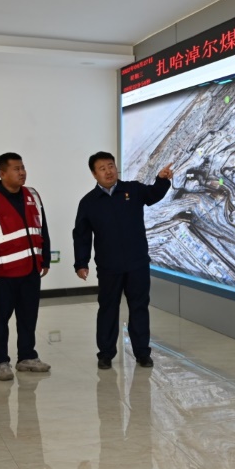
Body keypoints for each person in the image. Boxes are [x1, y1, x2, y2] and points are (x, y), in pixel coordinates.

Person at [73, 152, 173, 370]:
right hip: (109, 266)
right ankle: (105, 354)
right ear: (94, 174)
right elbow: (81, 235)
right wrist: (81, 263)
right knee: (108, 309)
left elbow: (153, 194)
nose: (108, 171)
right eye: (102, 168)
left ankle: (142, 353)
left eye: (111, 166)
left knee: (139, 307)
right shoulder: (89, 203)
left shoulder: (133, 190)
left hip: (137, 263)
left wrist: (162, 180)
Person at [0, 153, 51, 380]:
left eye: (23, 168)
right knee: (0, 320)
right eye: (16, 169)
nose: (22, 172)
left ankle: (27, 356)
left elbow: (42, 228)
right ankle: (0, 361)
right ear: (2, 173)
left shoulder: (32, 195)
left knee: (28, 316)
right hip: (3, 273)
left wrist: (45, 258)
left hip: (30, 269)